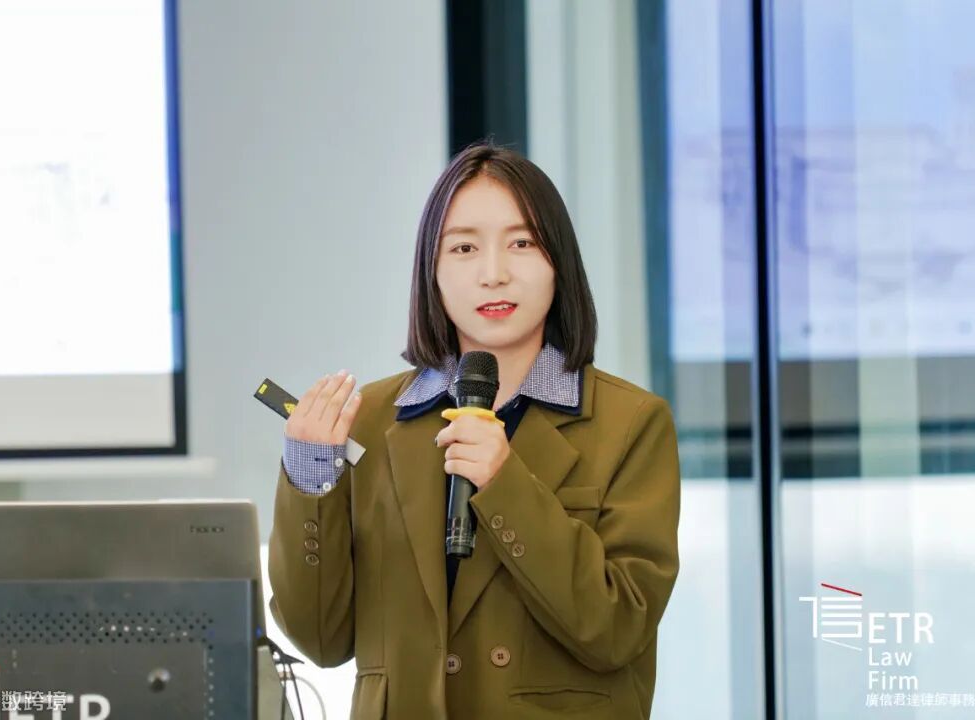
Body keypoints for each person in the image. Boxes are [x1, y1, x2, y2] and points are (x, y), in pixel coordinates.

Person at [268, 140, 680, 719]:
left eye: (522, 243)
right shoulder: (371, 420)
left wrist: (505, 482)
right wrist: (311, 479)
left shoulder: (631, 423)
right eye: (464, 248)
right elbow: (320, 638)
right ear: (431, 272)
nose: (494, 274)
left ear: (558, 263)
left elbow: (618, 627)